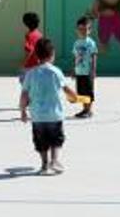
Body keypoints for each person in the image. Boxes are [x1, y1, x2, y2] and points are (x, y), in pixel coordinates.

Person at [20, 38, 79, 176]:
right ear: (52, 54)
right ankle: (55, 160)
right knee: (56, 140)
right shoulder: (56, 71)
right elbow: (66, 88)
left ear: (36, 55)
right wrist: (74, 96)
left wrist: (23, 111)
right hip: (54, 115)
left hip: (37, 116)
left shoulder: (31, 73)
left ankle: (44, 165)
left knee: (41, 142)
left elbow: (24, 95)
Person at [72, 16, 98, 118]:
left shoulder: (90, 43)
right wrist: (74, 69)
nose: (83, 31)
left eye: (85, 29)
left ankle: (89, 110)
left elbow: (94, 55)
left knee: (88, 91)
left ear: (90, 30)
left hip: (87, 71)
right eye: (80, 29)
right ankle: (84, 109)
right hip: (79, 71)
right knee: (81, 92)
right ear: (77, 30)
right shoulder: (76, 43)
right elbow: (75, 57)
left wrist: (93, 70)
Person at [21, 12, 43, 81]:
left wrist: (23, 64)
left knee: (26, 88)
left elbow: (29, 50)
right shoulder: (40, 34)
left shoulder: (29, 35)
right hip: (38, 65)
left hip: (30, 66)